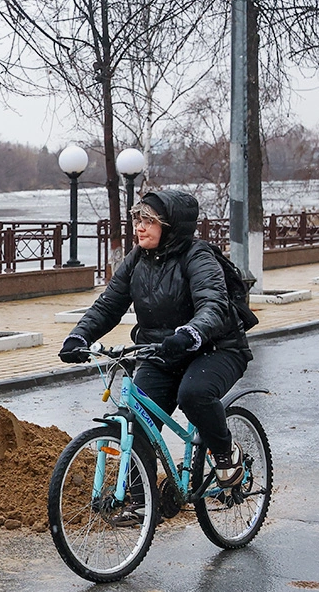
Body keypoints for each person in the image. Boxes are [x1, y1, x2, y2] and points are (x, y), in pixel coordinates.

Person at [58, 189, 253, 487]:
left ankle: (225, 453)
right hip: (162, 353)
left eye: (149, 221)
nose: (140, 228)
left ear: (170, 227)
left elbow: (212, 305)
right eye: (138, 220)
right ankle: (141, 501)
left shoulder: (197, 256)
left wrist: (189, 333)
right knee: (137, 424)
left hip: (216, 348)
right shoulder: (137, 259)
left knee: (193, 394)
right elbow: (109, 305)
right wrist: (79, 336)